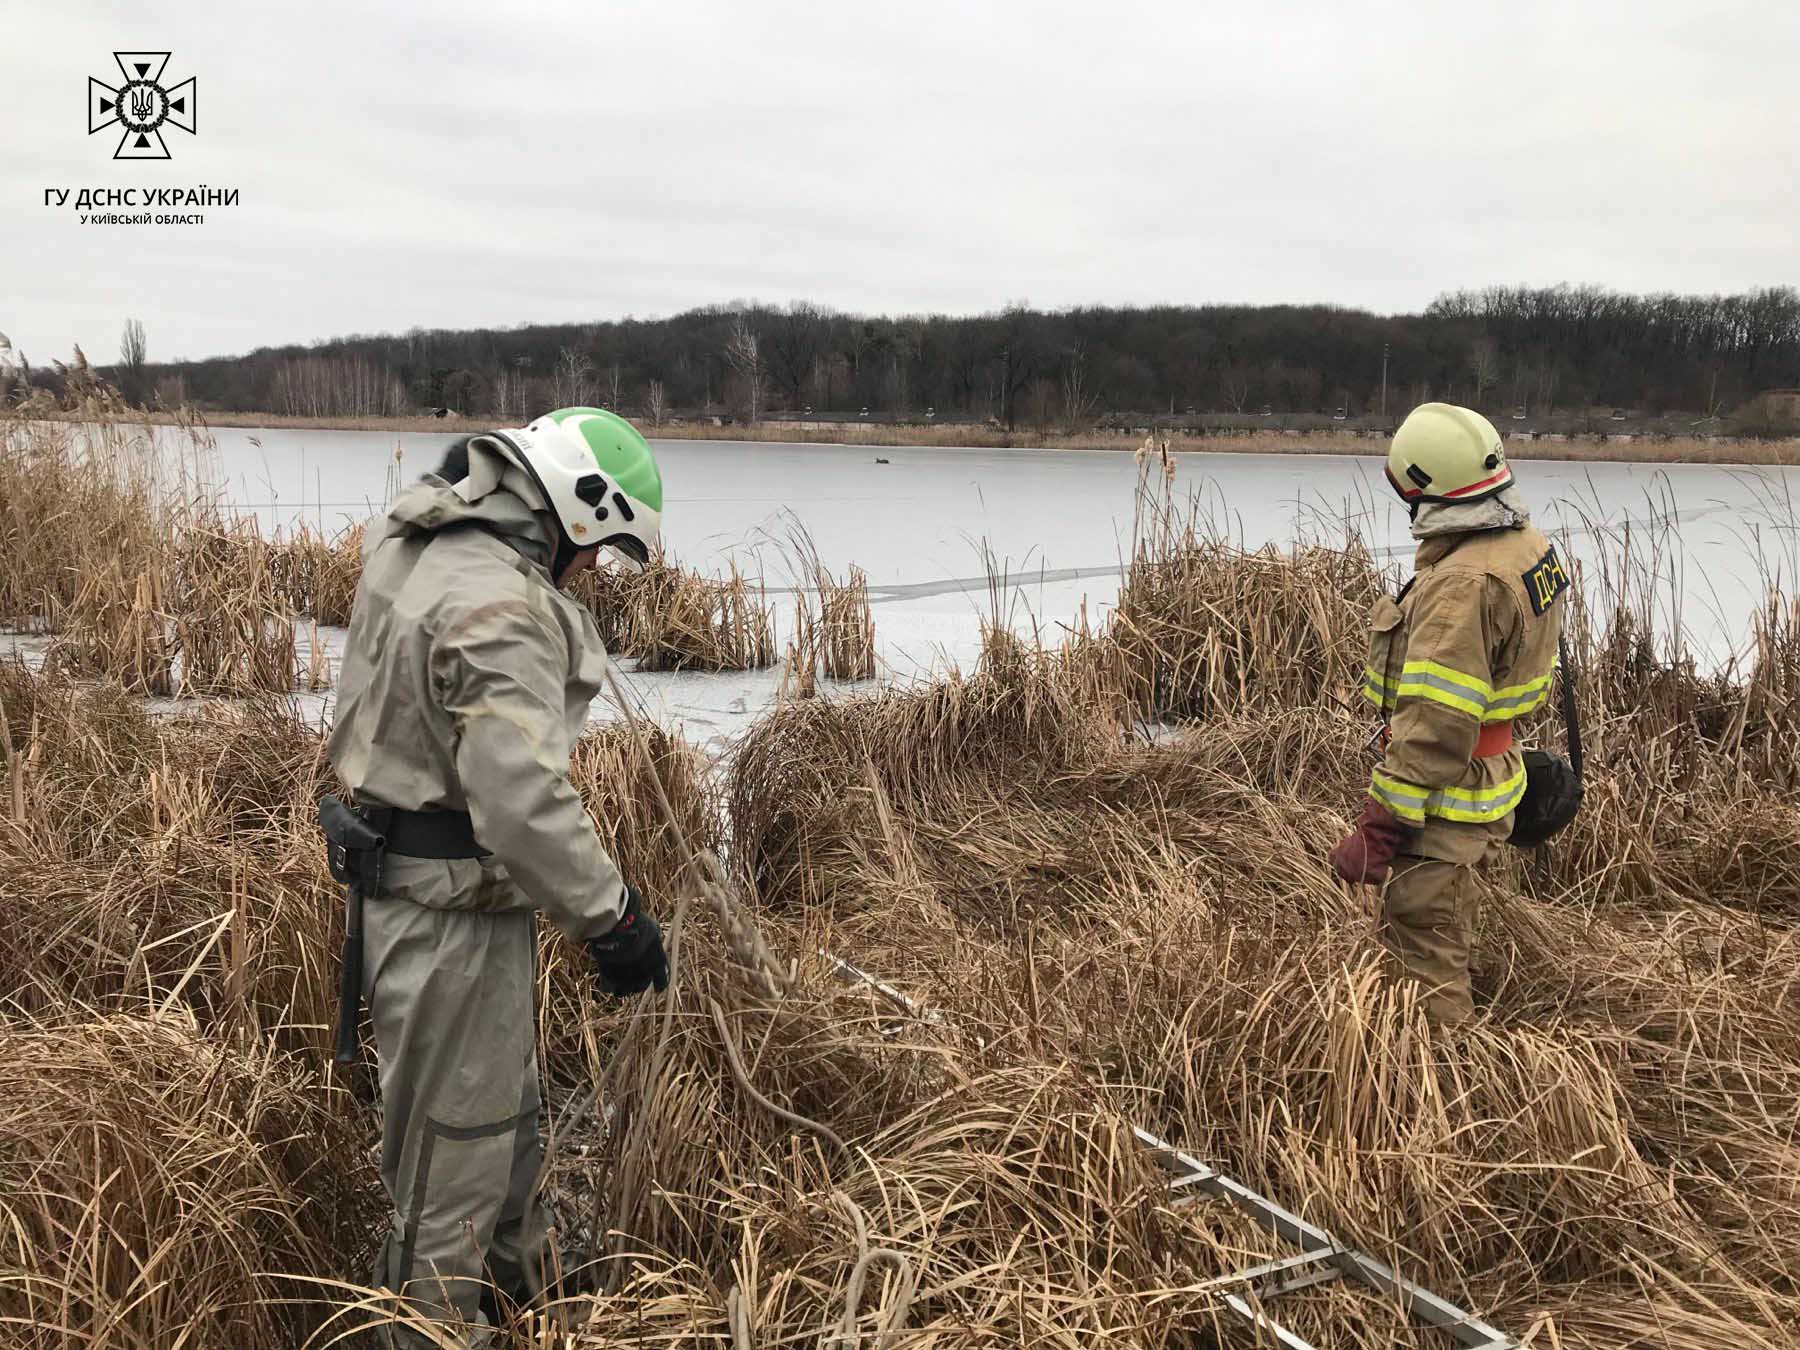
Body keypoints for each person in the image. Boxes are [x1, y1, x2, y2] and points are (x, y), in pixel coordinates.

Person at [326, 406, 672, 1344]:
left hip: (425, 894)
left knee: (503, 1116)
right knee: (453, 1165)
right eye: (598, 549)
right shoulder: (502, 606)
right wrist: (615, 922)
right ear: (571, 510)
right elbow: (518, 799)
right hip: (447, 922)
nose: (595, 572)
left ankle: (528, 1283)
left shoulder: (421, 536)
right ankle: (432, 1330)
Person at [1328, 403, 1568, 1024]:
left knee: (1425, 952)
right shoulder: (1524, 545)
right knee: (1456, 923)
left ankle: (1443, 1087)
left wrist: (1379, 830)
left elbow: (1436, 724)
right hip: (1493, 778)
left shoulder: (1463, 584)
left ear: (1424, 487)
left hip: (1446, 801)